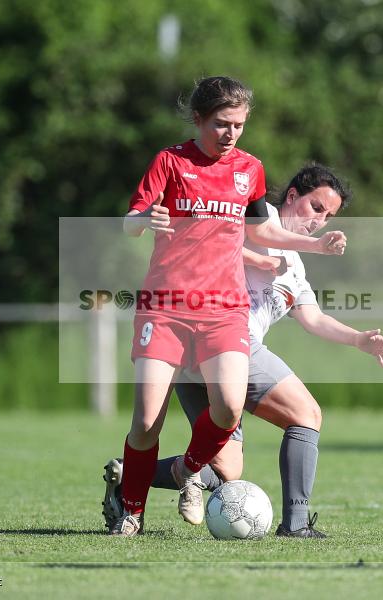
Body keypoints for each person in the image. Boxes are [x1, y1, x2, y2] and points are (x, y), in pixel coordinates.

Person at [103, 164, 383, 537]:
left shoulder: (296, 270)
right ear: (292, 196)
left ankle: (131, 476)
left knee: (226, 469)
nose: (319, 221)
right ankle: (296, 525)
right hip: (222, 335)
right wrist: (261, 259)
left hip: (206, 361)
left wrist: (358, 339)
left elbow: (314, 319)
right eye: (316, 207)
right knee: (306, 414)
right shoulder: (262, 216)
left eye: (328, 216)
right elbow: (209, 239)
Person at [112, 78, 348, 537]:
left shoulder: (249, 168)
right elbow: (129, 223)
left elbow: (262, 231)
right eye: (222, 123)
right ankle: (131, 512)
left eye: (239, 125)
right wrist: (145, 219)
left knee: (228, 409)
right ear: (199, 119)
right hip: (166, 308)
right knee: (145, 423)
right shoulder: (170, 161)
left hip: (224, 311)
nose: (231, 133)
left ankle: (187, 472)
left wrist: (314, 245)